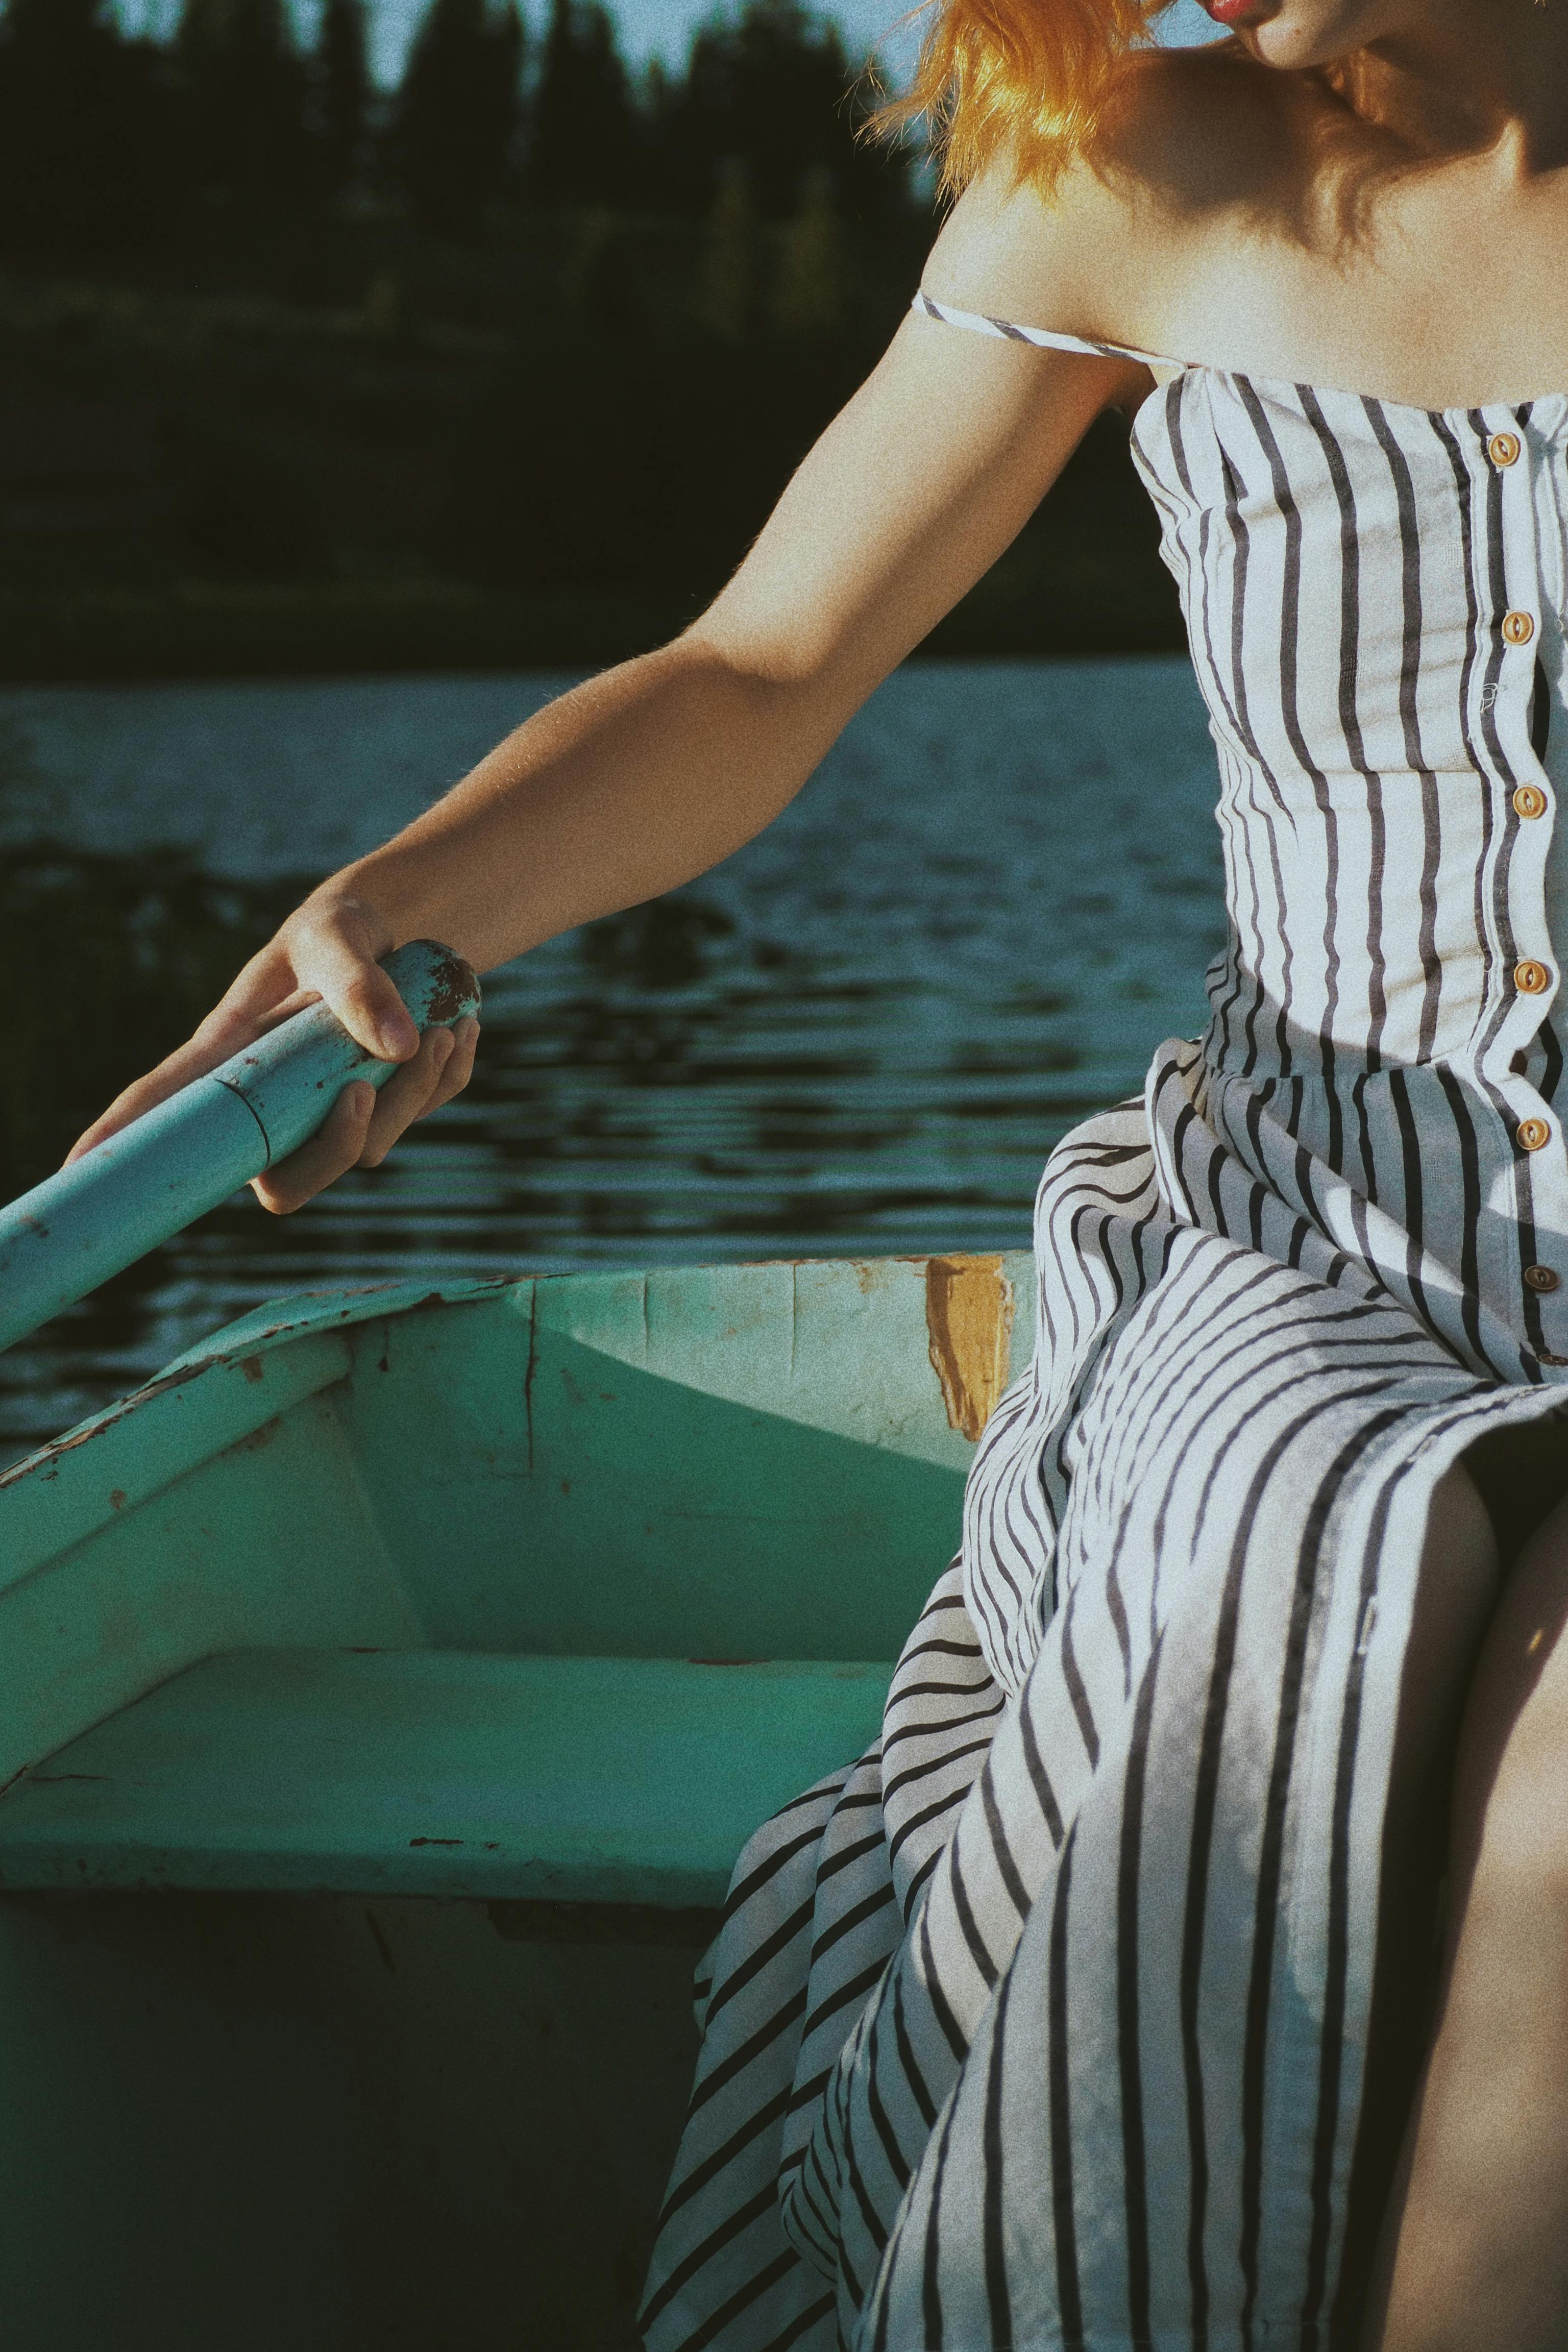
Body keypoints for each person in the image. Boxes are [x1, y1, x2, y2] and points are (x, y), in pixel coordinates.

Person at [76, 0, 1568, 2340]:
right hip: (1328, 1237)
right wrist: (392, 907)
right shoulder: (1142, 170)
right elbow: (761, 667)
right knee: (1301, 1536)